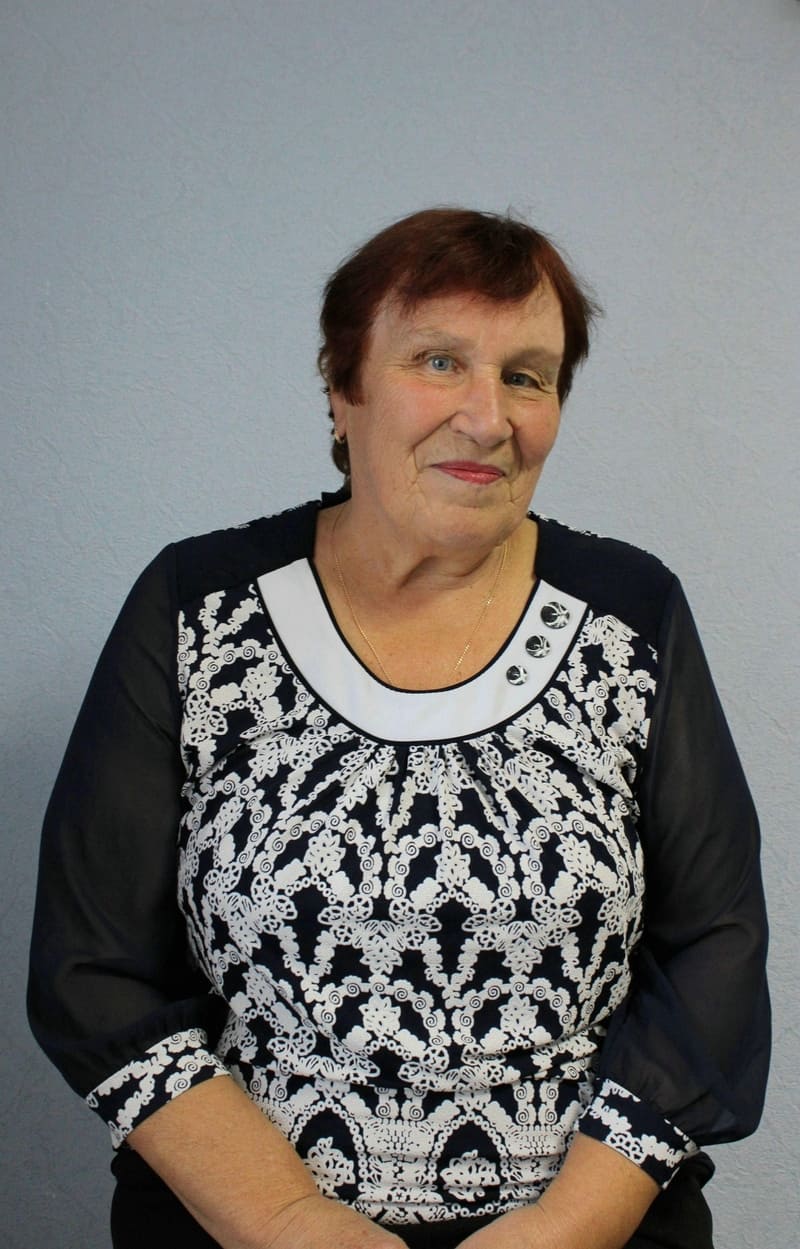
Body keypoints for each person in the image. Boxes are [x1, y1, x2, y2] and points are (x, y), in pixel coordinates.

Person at [28, 208, 769, 1249]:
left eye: (527, 377)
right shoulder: (197, 607)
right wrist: (291, 1222)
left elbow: (714, 948)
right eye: (438, 361)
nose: (488, 417)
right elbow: (92, 971)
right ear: (344, 388)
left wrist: (560, 1230)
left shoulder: (629, 613)